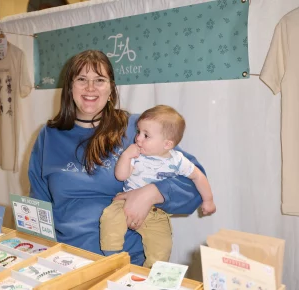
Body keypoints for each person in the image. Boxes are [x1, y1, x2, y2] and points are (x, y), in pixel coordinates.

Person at [28, 50, 205, 266]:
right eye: (81, 79)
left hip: (127, 263)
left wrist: (152, 193)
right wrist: (38, 256)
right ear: (70, 88)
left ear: (111, 88)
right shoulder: (49, 135)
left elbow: (194, 185)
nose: (90, 88)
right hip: (67, 260)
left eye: (99, 80)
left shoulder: (138, 129)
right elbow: (39, 203)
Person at [100, 105, 216, 268]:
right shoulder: (137, 154)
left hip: (156, 211)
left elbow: (198, 176)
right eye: (138, 132)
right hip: (124, 203)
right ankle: (113, 256)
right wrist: (126, 156)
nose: (138, 139)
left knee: (162, 243)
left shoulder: (177, 160)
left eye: (146, 135)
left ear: (167, 144)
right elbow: (121, 175)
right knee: (110, 217)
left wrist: (208, 200)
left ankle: (152, 271)